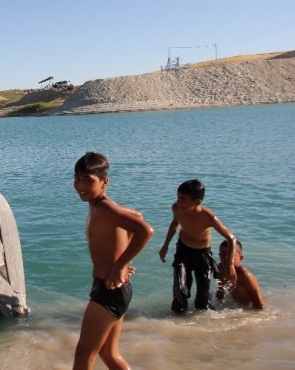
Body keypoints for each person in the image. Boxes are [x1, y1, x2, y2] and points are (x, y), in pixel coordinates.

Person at [72, 152, 154, 370]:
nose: (80, 185)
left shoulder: (105, 208)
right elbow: (137, 216)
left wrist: (120, 265)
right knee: (108, 354)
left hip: (110, 291)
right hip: (113, 287)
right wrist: (123, 260)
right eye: (77, 179)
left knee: (83, 356)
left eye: (88, 181)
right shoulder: (100, 206)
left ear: (104, 182)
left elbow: (145, 231)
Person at [158, 179, 237, 314]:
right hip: (183, 250)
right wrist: (165, 245)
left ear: (197, 202)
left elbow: (231, 238)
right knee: (180, 290)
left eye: (182, 198)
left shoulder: (207, 217)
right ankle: (177, 321)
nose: (178, 201)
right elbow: (175, 223)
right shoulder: (176, 208)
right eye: (177, 197)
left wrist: (229, 264)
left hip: (203, 254)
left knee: (202, 299)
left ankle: (202, 322)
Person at [215, 239, 264, 309]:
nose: (226, 258)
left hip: (250, 305)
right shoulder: (221, 269)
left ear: (240, 258)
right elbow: (219, 296)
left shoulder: (245, 276)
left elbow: (259, 305)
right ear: (219, 256)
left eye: (231, 256)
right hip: (237, 303)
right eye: (223, 255)